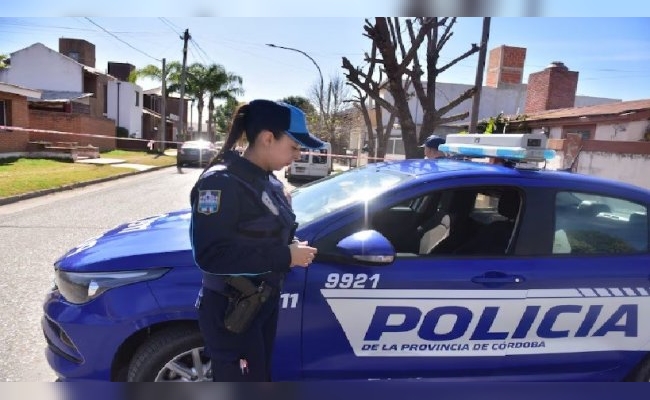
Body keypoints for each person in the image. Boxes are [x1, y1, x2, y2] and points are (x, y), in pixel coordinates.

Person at [189, 99, 321, 382]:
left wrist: (293, 245)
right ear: (267, 138)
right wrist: (285, 257)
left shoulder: (269, 181)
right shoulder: (221, 183)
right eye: (294, 146)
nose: (298, 154)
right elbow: (211, 255)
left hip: (260, 304)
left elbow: (266, 233)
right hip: (231, 310)